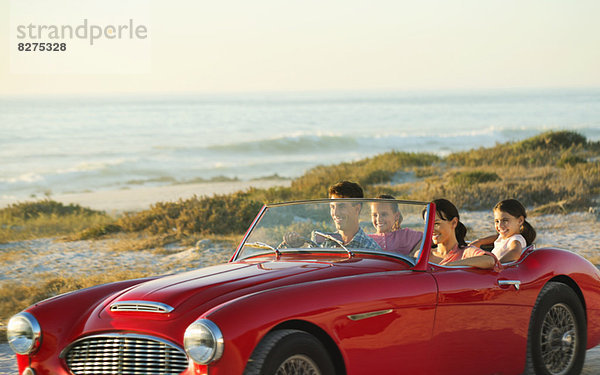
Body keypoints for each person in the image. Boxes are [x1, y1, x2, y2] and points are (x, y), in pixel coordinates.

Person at [426, 198, 496, 269]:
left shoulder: (466, 252)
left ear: (454, 223)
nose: (431, 229)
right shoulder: (423, 254)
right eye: (427, 224)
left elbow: (490, 260)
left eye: (436, 224)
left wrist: (449, 265)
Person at [315, 181, 381, 250]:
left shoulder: (372, 248)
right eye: (332, 207)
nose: (335, 213)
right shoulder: (324, 245)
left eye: (342, 206)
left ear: (357, 209)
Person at [471, 199, 536, 263]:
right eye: (497, 221)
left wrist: (497, 264)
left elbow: (515, 252)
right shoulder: (504, 237)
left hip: (501, 270)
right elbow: (495, 237)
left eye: (505, 220)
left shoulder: (516, 239)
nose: (500, 225)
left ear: (520, 221)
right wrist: (479, 242)